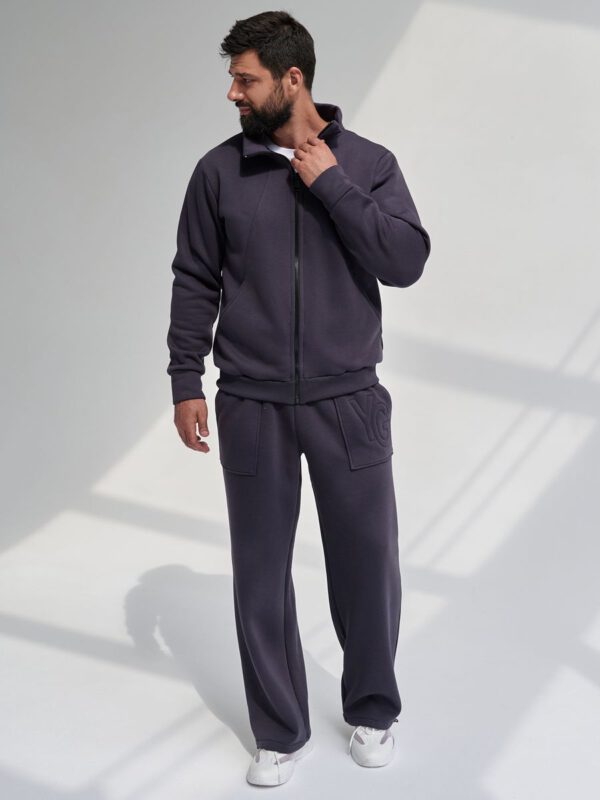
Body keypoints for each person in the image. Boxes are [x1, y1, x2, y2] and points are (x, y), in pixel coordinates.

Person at [166, 10, 431, 787]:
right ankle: (279, 729)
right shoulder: (218, 172)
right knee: (260, 572)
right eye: (233, 79)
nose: (232, 93)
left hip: (349, 399)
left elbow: (406, 260)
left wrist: (332, 185)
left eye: (244, 80)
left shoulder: (368, 164)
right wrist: (185, 379)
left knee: (367, 562)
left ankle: (373, 711)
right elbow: (194, 277)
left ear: (292, 79)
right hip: (249, 402)